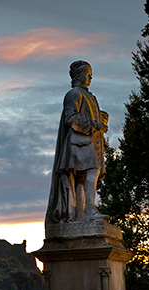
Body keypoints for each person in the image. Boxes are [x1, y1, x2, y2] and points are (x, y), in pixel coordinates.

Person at [46, 60, 108, 224]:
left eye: (91, 74)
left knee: (83, 179)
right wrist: (93, 124)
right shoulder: (74, 94)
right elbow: (70, 117)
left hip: (89, 143)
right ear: (78, 75)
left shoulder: (89, 96)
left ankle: (82, 212)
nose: (90, 77)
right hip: (78, 144)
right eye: (87, 74)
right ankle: (89, 210)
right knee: (91, 172)